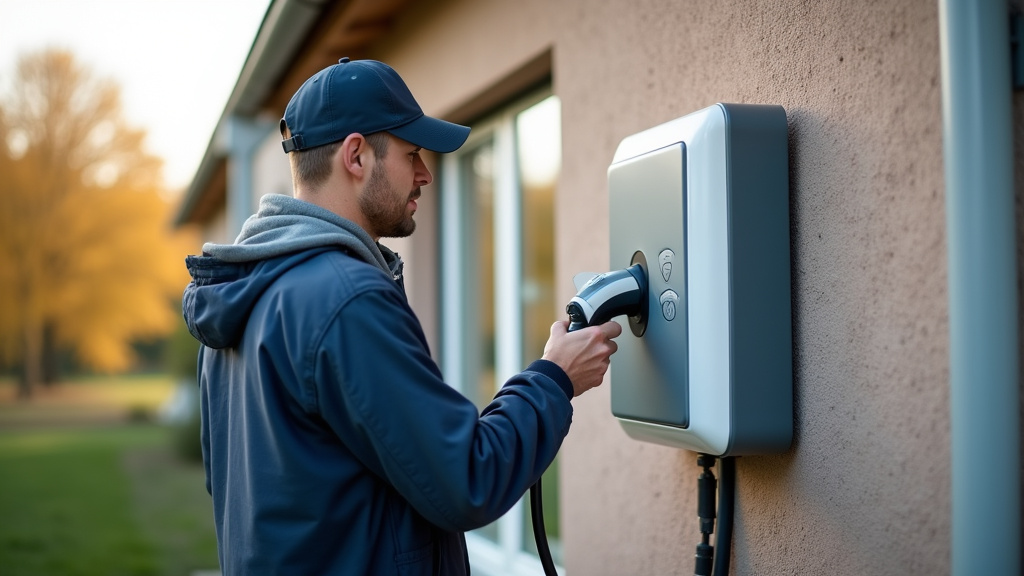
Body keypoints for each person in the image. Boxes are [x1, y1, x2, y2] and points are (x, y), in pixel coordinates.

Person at [182, 57, 622, 576]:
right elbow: (469, 479)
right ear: (356, 156)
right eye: (411, 153)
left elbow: (234, 486)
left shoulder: (244, 293)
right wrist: (554, 379)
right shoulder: (346, 299)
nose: (425, 174)